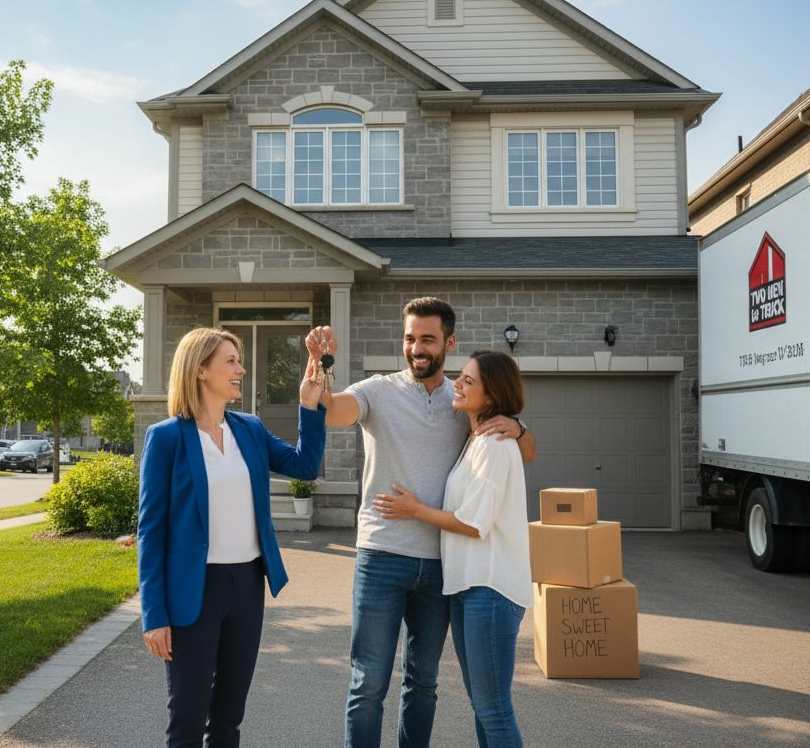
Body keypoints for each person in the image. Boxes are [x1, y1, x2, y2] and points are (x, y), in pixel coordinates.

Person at [306, 297, 536, 748]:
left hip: (438, 567)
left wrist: (521, 429)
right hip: (382, 555)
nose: (417, 348)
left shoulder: (462, 398)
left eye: (428, 339)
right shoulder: (377, 390)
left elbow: (520, 452)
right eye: (410, 338)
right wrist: (321, 370)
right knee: (367, 683)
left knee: (423, 682)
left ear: (449, 342)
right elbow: (333, 411)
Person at [137, 327, 327, 748]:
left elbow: (305, 466)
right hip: (193, 592)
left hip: (246, 587)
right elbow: (150, 532)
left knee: (227, 720)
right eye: (231, 361)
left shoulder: (250, 429)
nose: (241, 369)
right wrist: (154, 614)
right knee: (185, 721)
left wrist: (309, 405)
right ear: (201, 370)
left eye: (239, 361)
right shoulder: (166, 437)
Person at [374, 350, 532, 748]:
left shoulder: (495, 445)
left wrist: (414, 510)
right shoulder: (476, 439)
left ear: (491, 395)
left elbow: (473, 523)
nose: (456, 385)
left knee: (494, 709)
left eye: (468, 381)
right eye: (460, 376)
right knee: (484, 706)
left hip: (490, 589)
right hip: (467, 588)